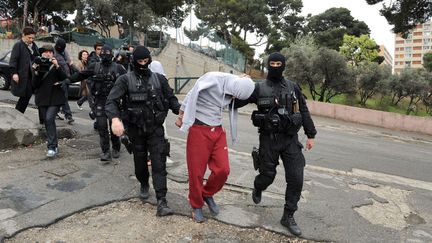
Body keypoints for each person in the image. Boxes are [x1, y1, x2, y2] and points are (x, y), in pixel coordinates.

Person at [233, 52, 317, 236]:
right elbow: (238, 102)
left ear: (284, 65)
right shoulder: (259, 88)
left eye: (279, 63)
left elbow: (303, 110)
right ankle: (258, 186)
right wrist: (239, 84)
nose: (276, 66)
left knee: (296, 178)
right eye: (273, 63)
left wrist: (310, 134)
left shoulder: (293, 87)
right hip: (268, 140)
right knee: (267, 176)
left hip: (290, 140)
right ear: (268, 65)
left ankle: (288, 215)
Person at [106, 45, 181, 217]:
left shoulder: (160, 79)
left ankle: (162, 200)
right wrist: (115, 119)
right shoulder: (125, 80)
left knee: (159, 163)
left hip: (155, 129)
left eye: (145, 61)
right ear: (134, 61)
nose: (143, 64)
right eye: (139, 61)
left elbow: (172, 100)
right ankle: (143, 183)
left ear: (149, 60)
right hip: (135, 130)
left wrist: (183, 112)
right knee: (140, 164)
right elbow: (111, 102)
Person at [174, 71, 255, 223]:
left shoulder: (236, 84)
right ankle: (196, 205)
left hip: (217, 130)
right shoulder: (212, 78)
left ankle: (207, 193)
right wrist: (181, 116)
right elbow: (192, 94)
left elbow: (244, 88)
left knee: (223, 170)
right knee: (196, 173)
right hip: (199, 129)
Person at [71, 45, 126, 161]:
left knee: (113, 128)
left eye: (108, 54)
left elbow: (127, 83)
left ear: (111, 55)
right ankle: (105, 151)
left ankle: (116, 147)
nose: (105, 56)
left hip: (114, 102)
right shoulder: (94, 66)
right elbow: (81, 75)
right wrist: (67, 80)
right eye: (103, 53)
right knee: (101, 127)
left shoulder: (118, 68)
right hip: (99, 101)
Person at [31, 45, 68, 157]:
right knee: (48, 122)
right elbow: (34, 85)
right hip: (42, 98)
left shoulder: (56, 64)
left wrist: (57, 66)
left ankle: (51, 147)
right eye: (45, 52)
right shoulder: (37, 64)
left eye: (50, 52)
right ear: (41, 54)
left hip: (55, 98)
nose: (48, 54)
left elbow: (64, 77)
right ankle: (54, 145)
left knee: (49, 118)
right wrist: (36, 72)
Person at [9, 26, 39, 113]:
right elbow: (13, 60)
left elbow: (36, 56)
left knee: (26, 96)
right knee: (25, 95)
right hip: (22, 75)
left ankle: (18, 113)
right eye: (29, 37)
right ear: (23, 35)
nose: (31, 40)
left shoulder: (33, 46)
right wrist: (14, 73)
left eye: (33, 38)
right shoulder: (18, 45)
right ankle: (18, 113)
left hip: (31, 75)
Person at [53, 38, 74, 124]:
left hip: (67, 77)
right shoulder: (53, 53)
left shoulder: (64, 51)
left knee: (59, 97)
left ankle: (54, 113)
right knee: (63, 97)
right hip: (59, 79)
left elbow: (68, 62)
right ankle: (68, 116)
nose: (62, 49)